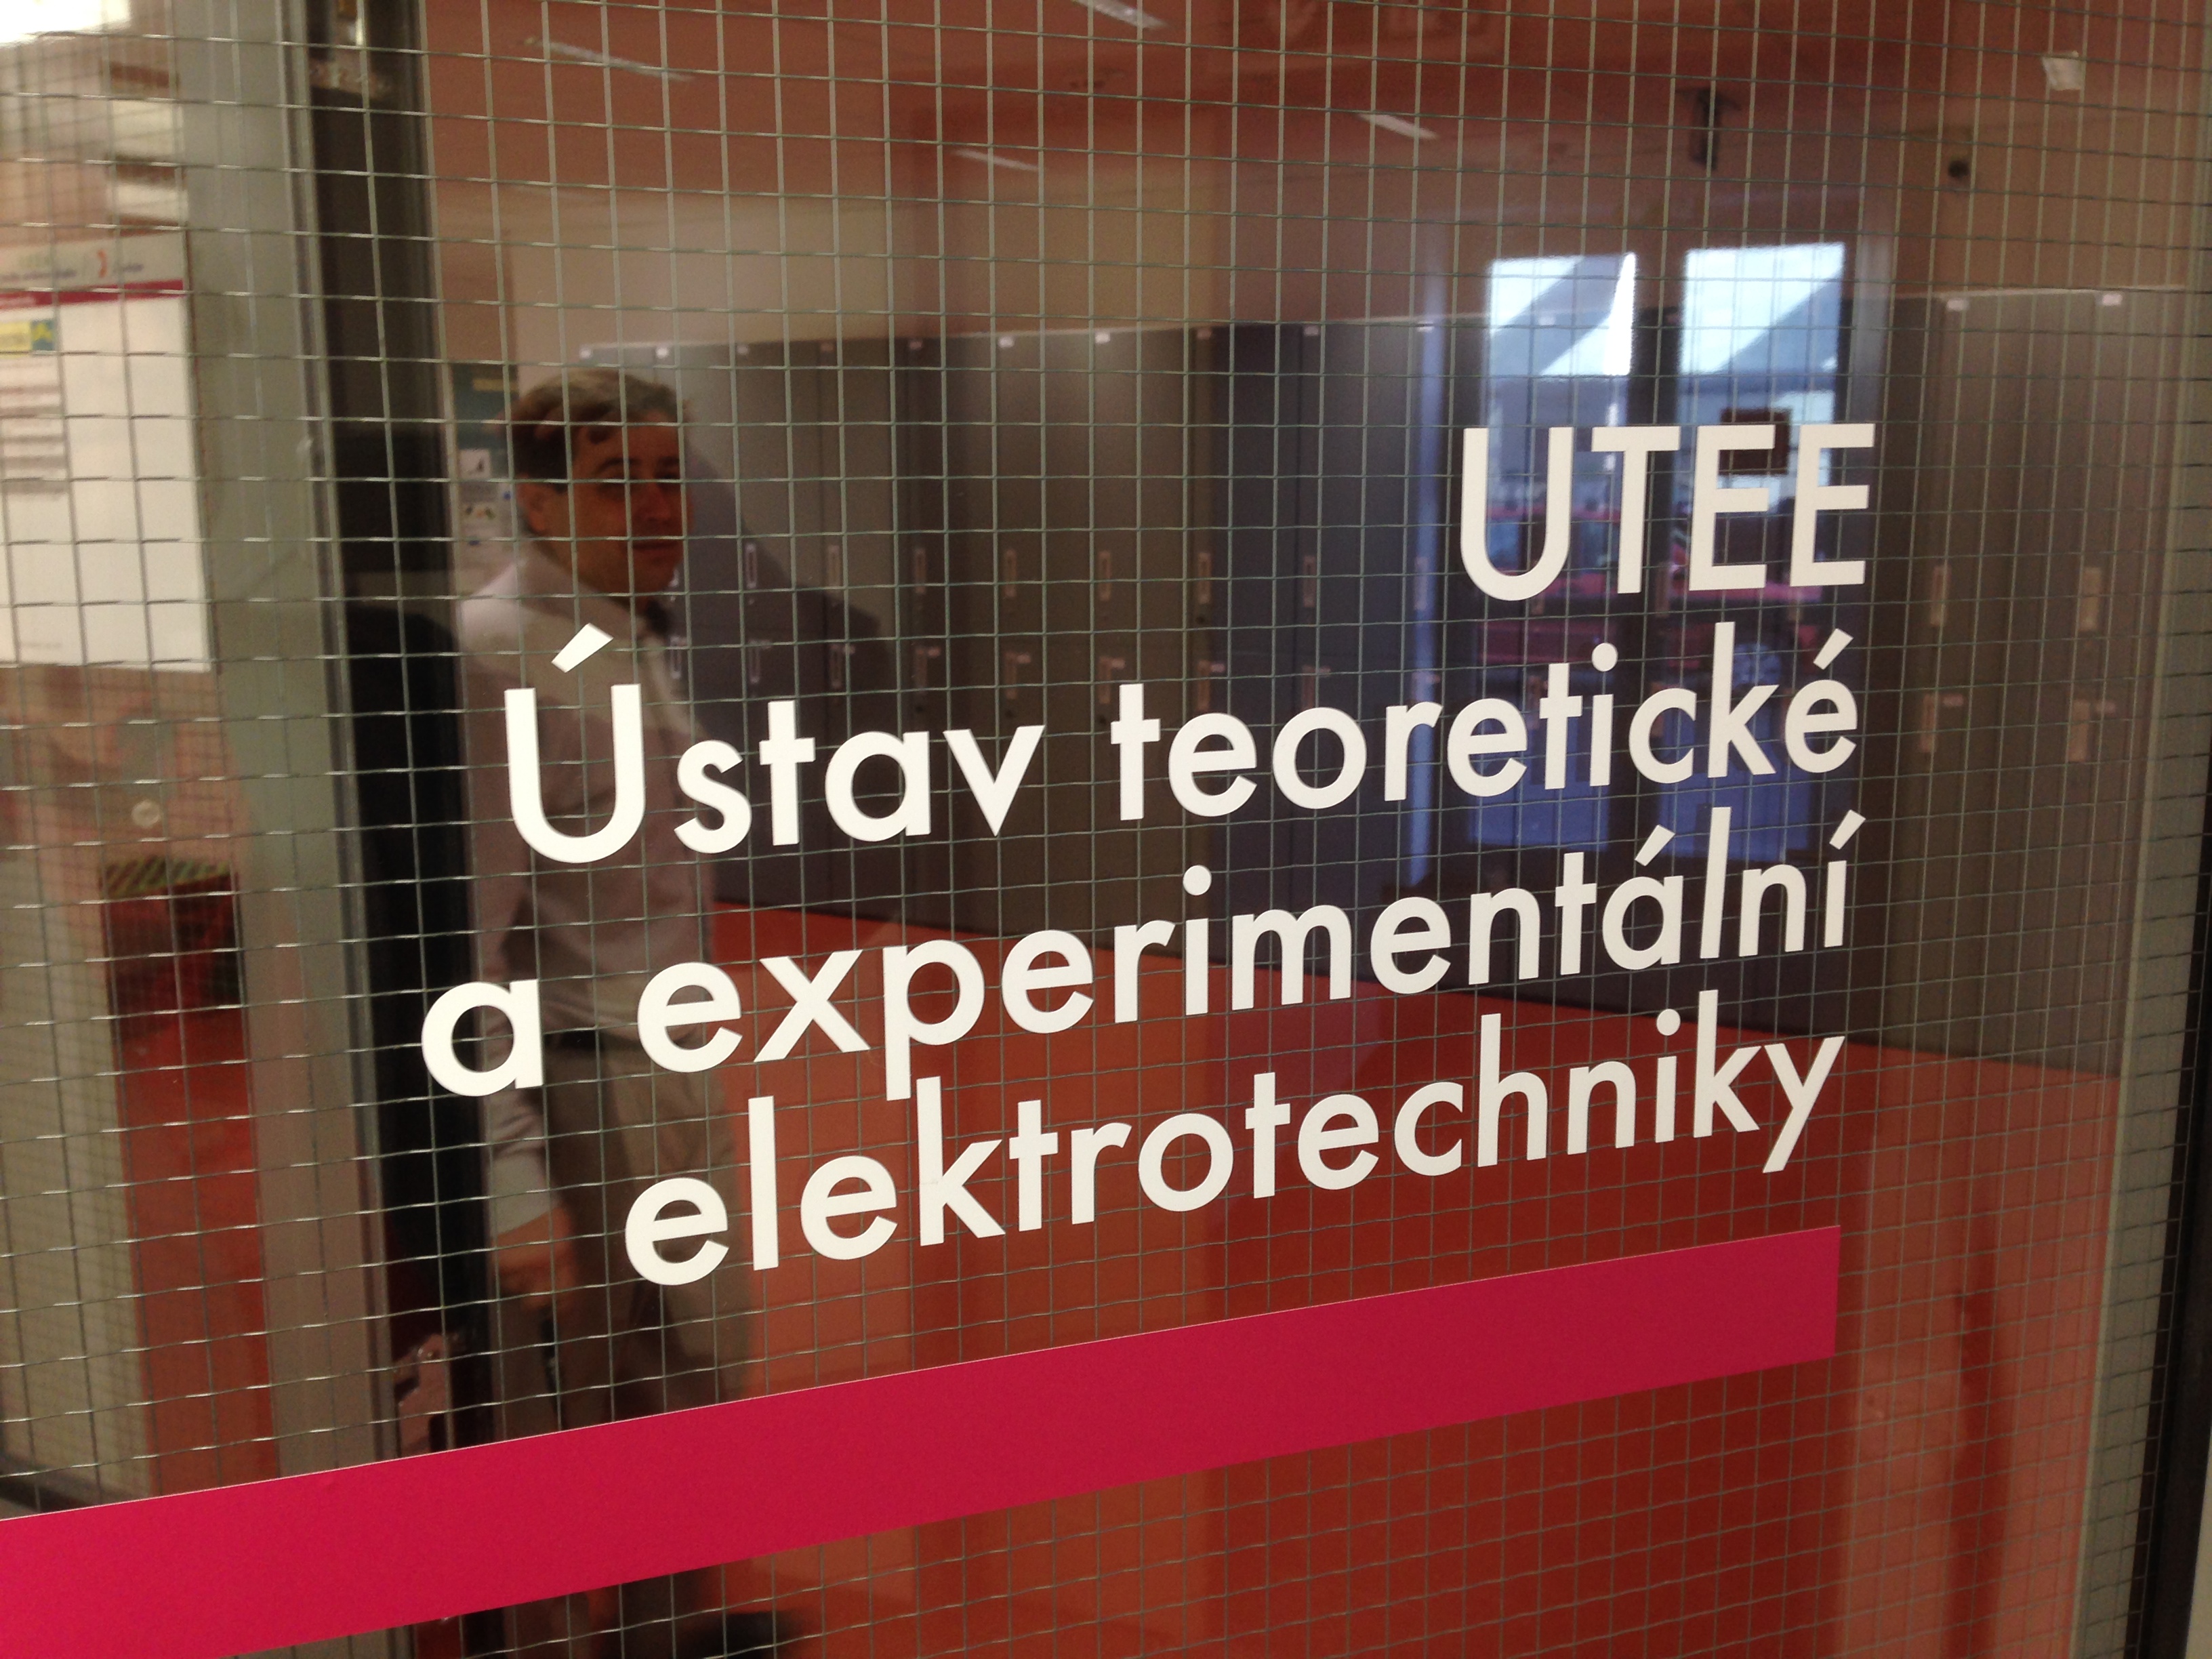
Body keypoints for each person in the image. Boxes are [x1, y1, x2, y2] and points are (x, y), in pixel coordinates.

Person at [457, 367, 779, 1659]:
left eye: (664, 477)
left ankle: (664, 1628)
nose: (657, 506)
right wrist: (510, 1177)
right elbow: (465, 944)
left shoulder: (616, 633)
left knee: (692, 1377)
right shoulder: (497, 654)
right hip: (582, 1078)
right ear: (538, 500)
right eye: (613, 483)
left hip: (672, 1055)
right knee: (580, 1405)